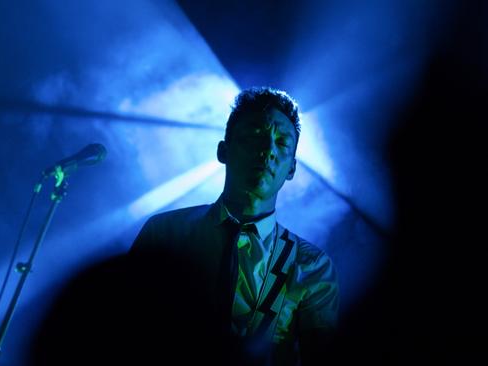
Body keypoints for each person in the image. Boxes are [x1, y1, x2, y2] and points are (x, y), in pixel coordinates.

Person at [130, 87, 339, 366]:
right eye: (255, 136)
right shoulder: (164, 233)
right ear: (223, 150)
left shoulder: (312, 266)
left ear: (291, 169)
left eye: (282, 143)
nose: (268, 151)